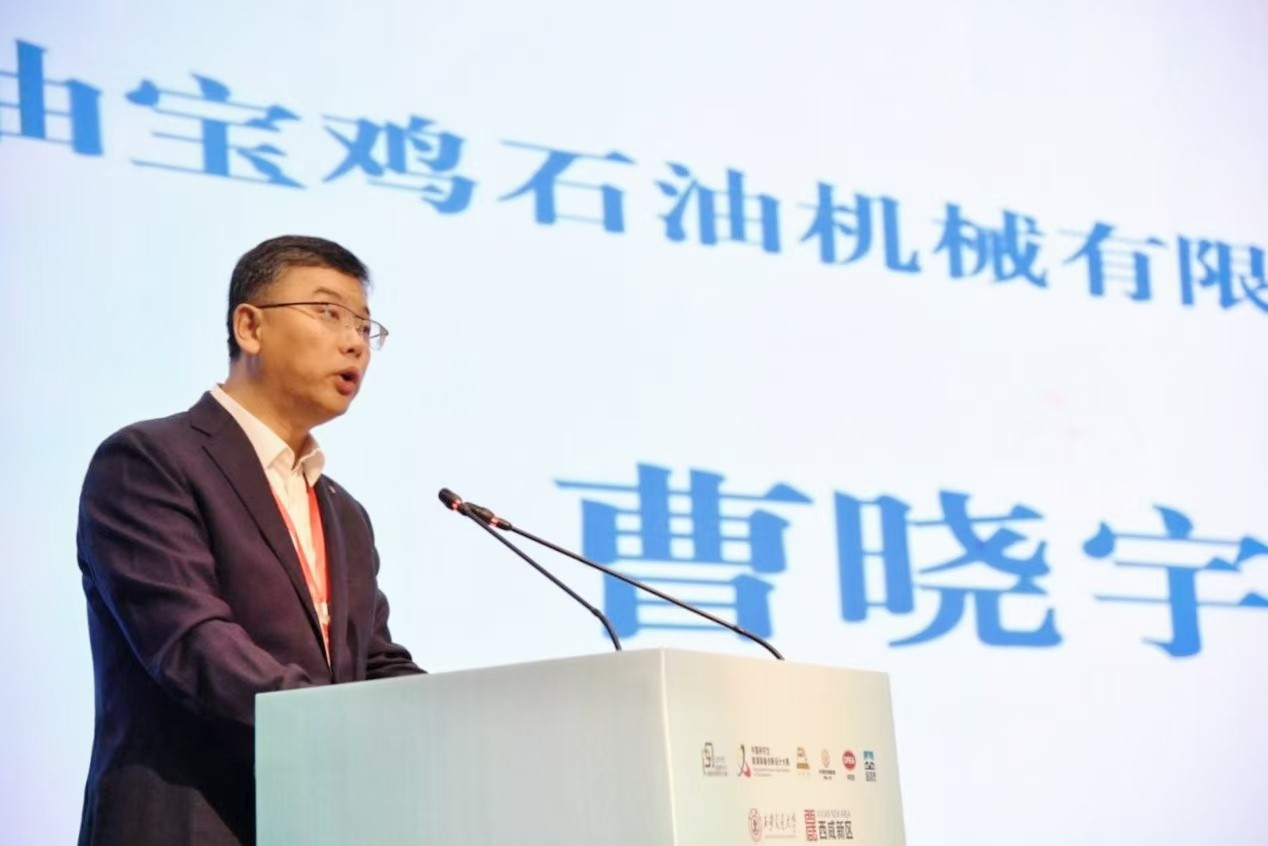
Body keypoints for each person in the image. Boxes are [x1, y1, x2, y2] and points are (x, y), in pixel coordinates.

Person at [76, 235, 423, 845]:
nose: (354, 343)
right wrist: (340, 726)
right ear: (250, 327)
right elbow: (193, 645)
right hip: (189, 824)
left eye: (365, 327)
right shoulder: (149, 462)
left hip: (314, 826)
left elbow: (372, 661)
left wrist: (456, 722)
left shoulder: (344, 513)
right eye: (329, 312)